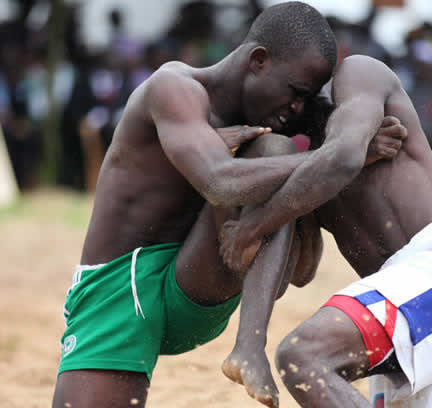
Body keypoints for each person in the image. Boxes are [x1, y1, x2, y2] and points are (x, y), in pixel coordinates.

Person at [52, 3, 338, 407]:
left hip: (199, 283)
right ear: (257, 60)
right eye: (296, 94)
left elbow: (304, 275)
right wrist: (337, 157)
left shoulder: (272, 121)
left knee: (274, 150)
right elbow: (219, 184)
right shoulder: (174, 89)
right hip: (120, 284)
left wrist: (337, 150)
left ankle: (249, 345)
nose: (297, 109)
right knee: (273, 160)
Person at [220, 55, 432, 407]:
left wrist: (253, 225)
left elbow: (344, 155)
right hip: (411, 304)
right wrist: (287, 209)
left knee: (305, 357)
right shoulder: (311, 173)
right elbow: (301, 274)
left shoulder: (358, 76)